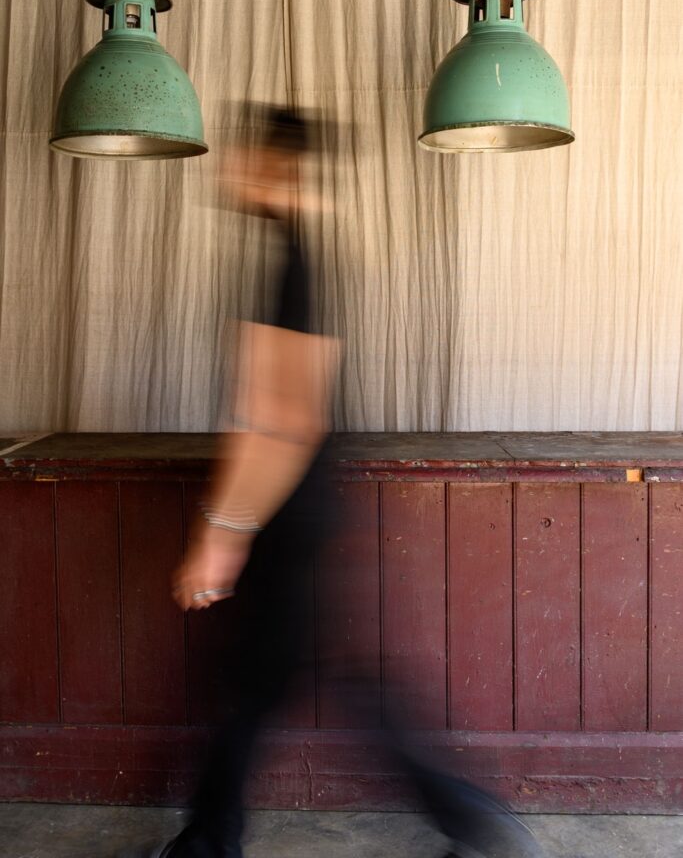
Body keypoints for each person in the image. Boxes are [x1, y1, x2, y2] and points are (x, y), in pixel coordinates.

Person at [121, 105, 546, 858]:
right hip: (298, 514)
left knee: (281, 686)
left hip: (285, 517)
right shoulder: (294, 253)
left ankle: (472, 824)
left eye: (246, 157)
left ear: (276, 167)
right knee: (270, 684)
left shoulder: (293, 262)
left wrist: (222, 537)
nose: (232, 171)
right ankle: (468, 824)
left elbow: (282, 418)